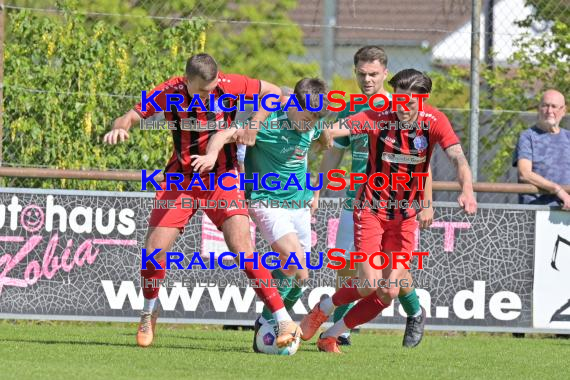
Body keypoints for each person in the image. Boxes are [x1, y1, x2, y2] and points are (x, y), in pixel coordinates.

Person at [104, 53, 301, 348]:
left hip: (222, 178)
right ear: (186, 82)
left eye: (212, 89)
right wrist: (121, 126)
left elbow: (273, 92)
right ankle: (149, 310)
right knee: (152, 255)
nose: (209, 95)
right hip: (181, 180)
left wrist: (255, 123)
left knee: (243, 251)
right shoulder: (169, 91)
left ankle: (283, 318)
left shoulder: (229, 84)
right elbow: (130, 115)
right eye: (203, 91)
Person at [301, 68, 478, 353]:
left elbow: (457, 157)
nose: (402, 108)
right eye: (398, 100)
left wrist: (467, 189)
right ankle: (321, 309)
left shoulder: (435, 121)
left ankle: (331, 335)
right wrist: (323, 133)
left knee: (389, 290)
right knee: (368, 283)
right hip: (371, 210)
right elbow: (339, 129)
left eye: (409, 102)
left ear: (424, 100)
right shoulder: (378, 114)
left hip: (405, 217)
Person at [193, 77, 331, 352]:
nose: (311, 124)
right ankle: (276, 322)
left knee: (301, 279)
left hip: (299, 206)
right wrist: (211, 155)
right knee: (293, 263)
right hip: (266, 202)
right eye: (308, 117)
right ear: (294, 103)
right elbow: (223, 134)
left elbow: (324, 138)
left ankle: (266, 322)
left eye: (316, 119)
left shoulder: (312, 125)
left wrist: (315, 185)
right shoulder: (267, 124)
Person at [315, 45, 433, 348]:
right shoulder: (348, 110)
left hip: (395, 207)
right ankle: (340, 330)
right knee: (347, 267)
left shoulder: (403, 107)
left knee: (394, 273)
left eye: (373, 74)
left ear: (385, 74)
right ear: (355, 73)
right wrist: (316, 189)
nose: (367, 79)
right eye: (361, 73)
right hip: (356, 201)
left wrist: (426, 202)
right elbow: (333, 156)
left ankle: (415, 313)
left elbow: (423, 162)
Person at [513, 89, 570, 210]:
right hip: (537, 211)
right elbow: (525, 174)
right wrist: (557, 190)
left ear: (563, 110)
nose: (549, 111)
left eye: (554, 106)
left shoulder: (568, 137)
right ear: (539, 108)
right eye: (545, 106)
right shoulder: (527, 137)